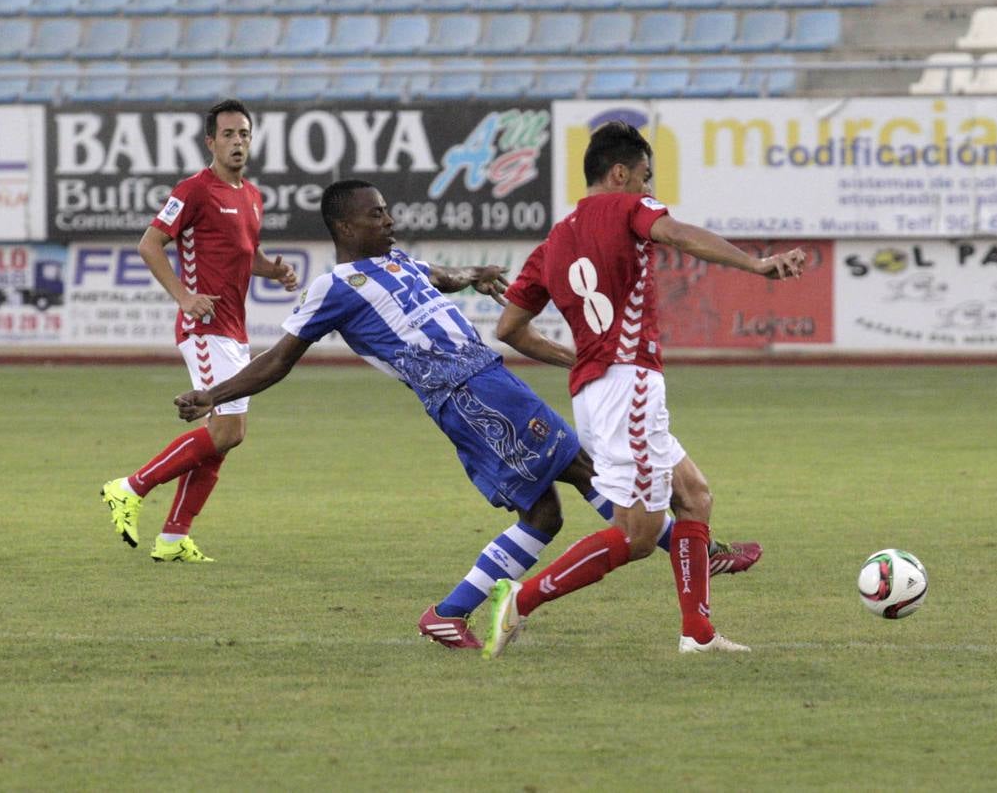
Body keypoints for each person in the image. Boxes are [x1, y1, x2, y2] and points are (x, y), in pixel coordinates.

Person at [172, 179, 762, 649]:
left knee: (544, 513)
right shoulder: (333, 288)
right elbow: (278, 360)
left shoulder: (397, 260)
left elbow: (439, 277)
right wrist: (214, 395)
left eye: (388, 211)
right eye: (377, 214)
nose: (389, 220)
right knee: (582, 469)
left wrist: (473, 276)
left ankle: (448, 613)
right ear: (344, 226)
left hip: (485, 382)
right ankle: (696, 548)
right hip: (468, 393)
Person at [483, 120, 806, 657]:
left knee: (694, 496)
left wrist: (579, 355)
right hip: (627, 385)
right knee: (637, 533)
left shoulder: (552, 243)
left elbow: (508, 330)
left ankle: (698, 634)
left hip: (599, 388)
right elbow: (677, 233)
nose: (650, 190)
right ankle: (521, 598)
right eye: (645, 177)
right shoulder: (629, 208)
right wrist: (757, 265)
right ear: (619, 173)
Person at [99, 99, 299, 563]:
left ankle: (171, 539)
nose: (237, 142)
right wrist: (185, 297)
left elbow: (246, 255)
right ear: (210, 141)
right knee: (229, 429)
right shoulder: (193, 189)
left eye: (244, 134)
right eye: (227, 134)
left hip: (234, 329)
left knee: (222, 437)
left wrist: (275, 271)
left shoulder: (252, 195)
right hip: (204, 327)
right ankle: (129, 487)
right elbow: (150, 245)